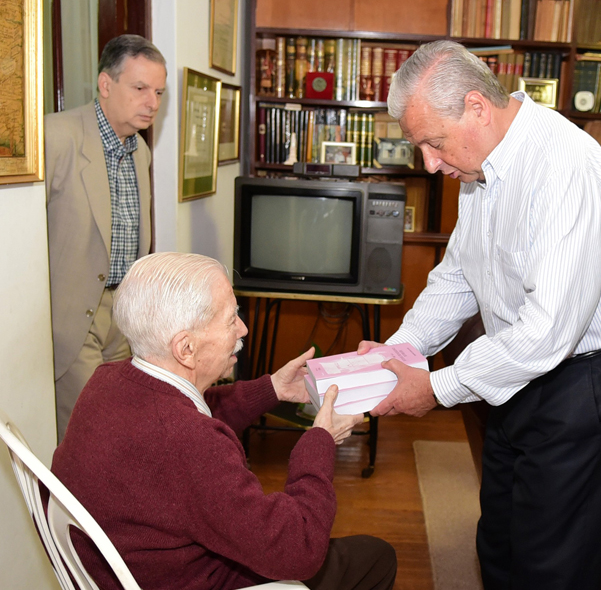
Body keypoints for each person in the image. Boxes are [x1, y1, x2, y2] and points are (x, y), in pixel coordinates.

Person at [360, 40, 601, 590]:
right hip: (517, 376)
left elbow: (546, 332)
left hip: (584, 383)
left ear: (476, 106)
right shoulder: (480, 166)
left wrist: (436, 388)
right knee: (498, 544)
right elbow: (458, 277)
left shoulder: (564, 167)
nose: (430, 163)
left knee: (552, 567)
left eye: (433, 143)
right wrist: (400, 350)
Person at [51, 252, 397, 590]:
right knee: (377, 556)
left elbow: (187, 414)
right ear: (185, 348)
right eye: (232, 319)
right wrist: (320, 440)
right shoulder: (190, 442)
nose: (243, 328)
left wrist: (273, 388)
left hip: (134, 567)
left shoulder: (107, 380)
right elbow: (298, 549)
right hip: (192, 578)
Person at [45, 34, 167, 440]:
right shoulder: (56, 137)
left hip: (124, 316)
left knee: (120, 432)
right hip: (74, 315)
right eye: (140, 88)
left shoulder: (140, 151)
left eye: (158, 92)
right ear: (105, 84)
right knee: (88, 435)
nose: (152, 102)